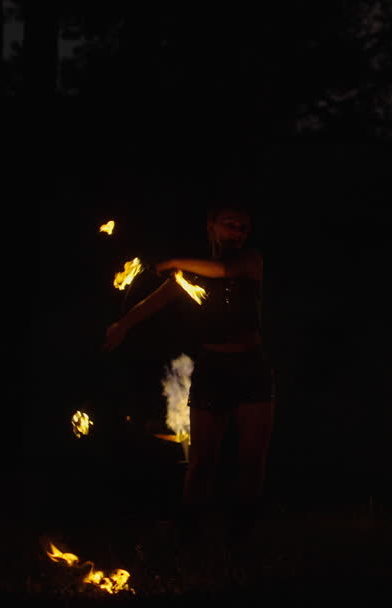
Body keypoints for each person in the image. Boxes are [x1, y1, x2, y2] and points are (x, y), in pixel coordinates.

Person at [103, 202, 272, 547]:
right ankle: (190, 534)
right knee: (201, 461)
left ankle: (243, 538)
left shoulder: (250, 261)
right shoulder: (193, 272)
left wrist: (173, 262)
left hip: (251, 368)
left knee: (251, 459)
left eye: (243, 228)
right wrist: (123, 325)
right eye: (230, 225)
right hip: (213, 369)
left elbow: (221, 271)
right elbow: (156, 300)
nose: (237, 233)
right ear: (211, 224)